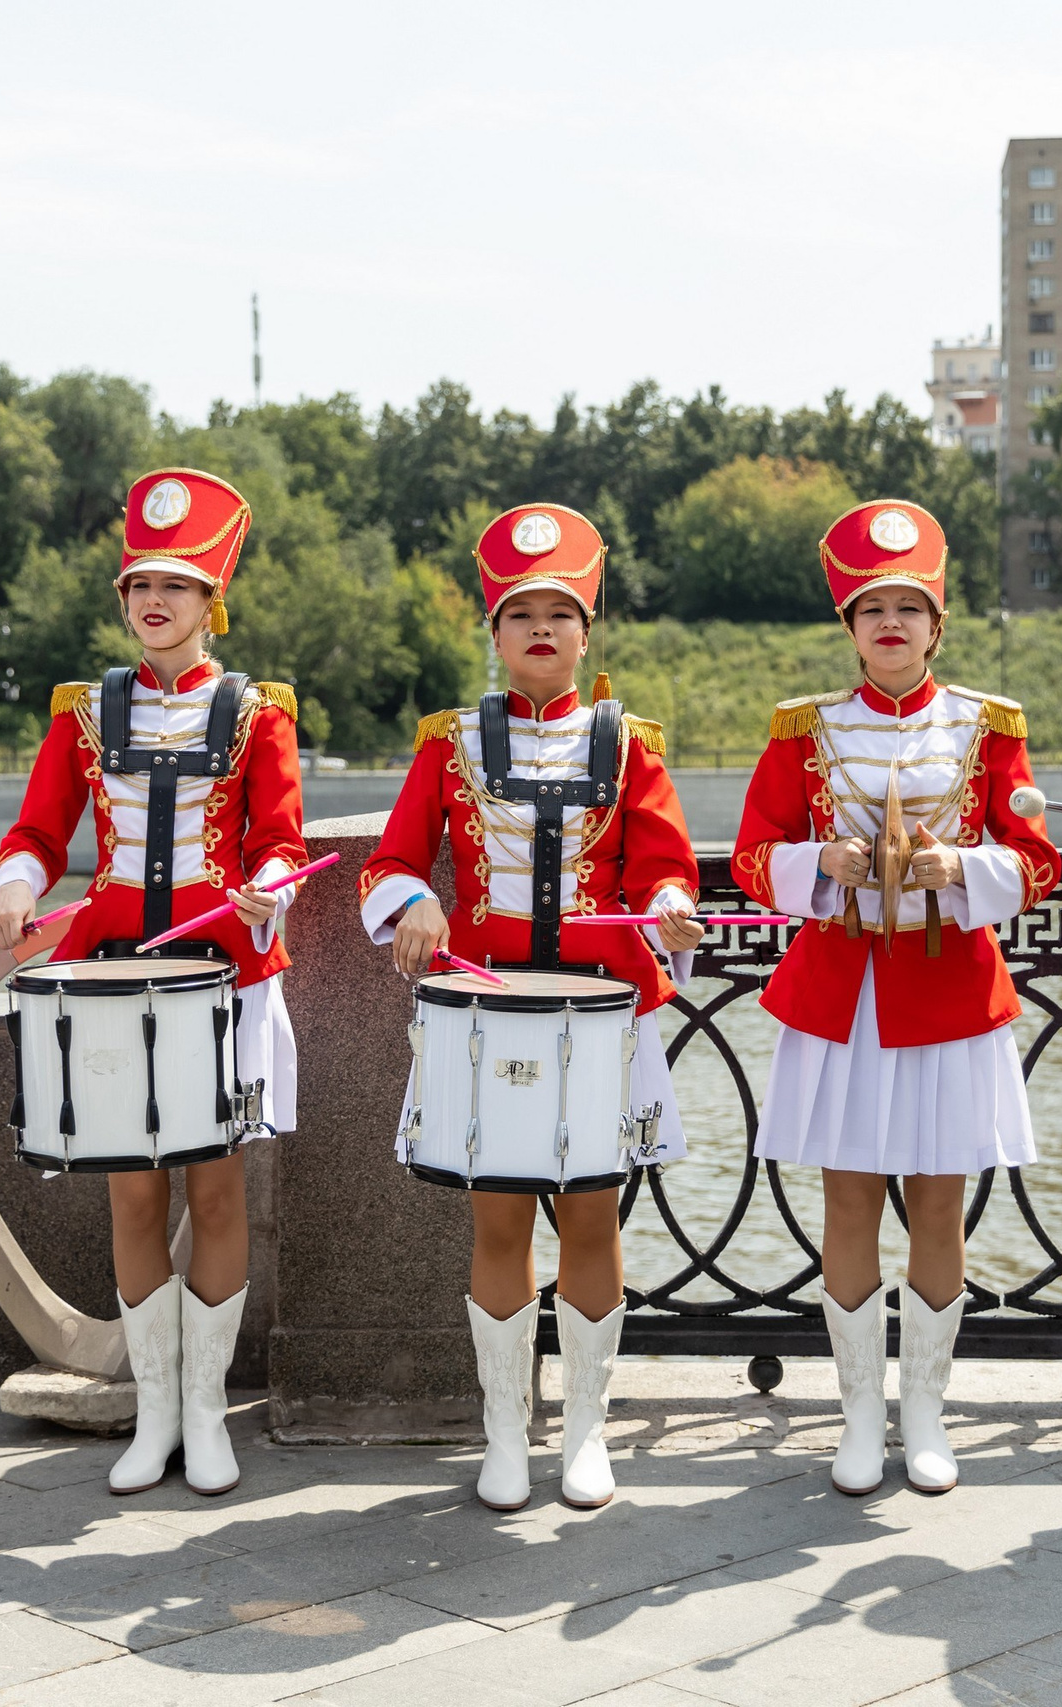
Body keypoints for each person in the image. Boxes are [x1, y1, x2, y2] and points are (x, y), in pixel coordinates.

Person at [358, 503, 703, 1512]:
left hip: (602, 1014)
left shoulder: (629, 745)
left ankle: (586, 1436)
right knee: (499, 1223)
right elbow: (388, 860)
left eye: (560, 611)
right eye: (521, 614)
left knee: (591, 1220)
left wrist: (674, 908)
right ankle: (504, 1433)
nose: (541, 628)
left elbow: (665, 866)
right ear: (495, 635)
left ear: (587, 633)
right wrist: (414, 898)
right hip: (486, 1014)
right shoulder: (449, 742)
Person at [0, 468, 305, 1498]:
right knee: (132, 1197)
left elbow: (279, 840)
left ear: (213, 603)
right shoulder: (84, 712)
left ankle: (204, 1415)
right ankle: (154, 1415)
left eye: (176, 585)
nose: (154, 602)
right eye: (138, 587)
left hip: (221, 976)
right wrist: (15, 883)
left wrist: (264, 889)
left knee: (215, 1193)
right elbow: (40, 830)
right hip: (115, 979)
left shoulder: (258, 713)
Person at [731, 499, 1058, 1497]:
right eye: (872, 606)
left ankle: (925, 1414)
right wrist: (817, 862)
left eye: (909, 606)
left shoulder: (988, 727)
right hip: (843, 994)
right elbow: (750, 858)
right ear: (849, 626)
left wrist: (958, 869)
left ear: (936, 625)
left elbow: (1036, 862)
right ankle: (858, 1418)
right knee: (846, 1203)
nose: (890, 622)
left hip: (948, 992)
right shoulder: (804, 731)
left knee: (940, 1209)